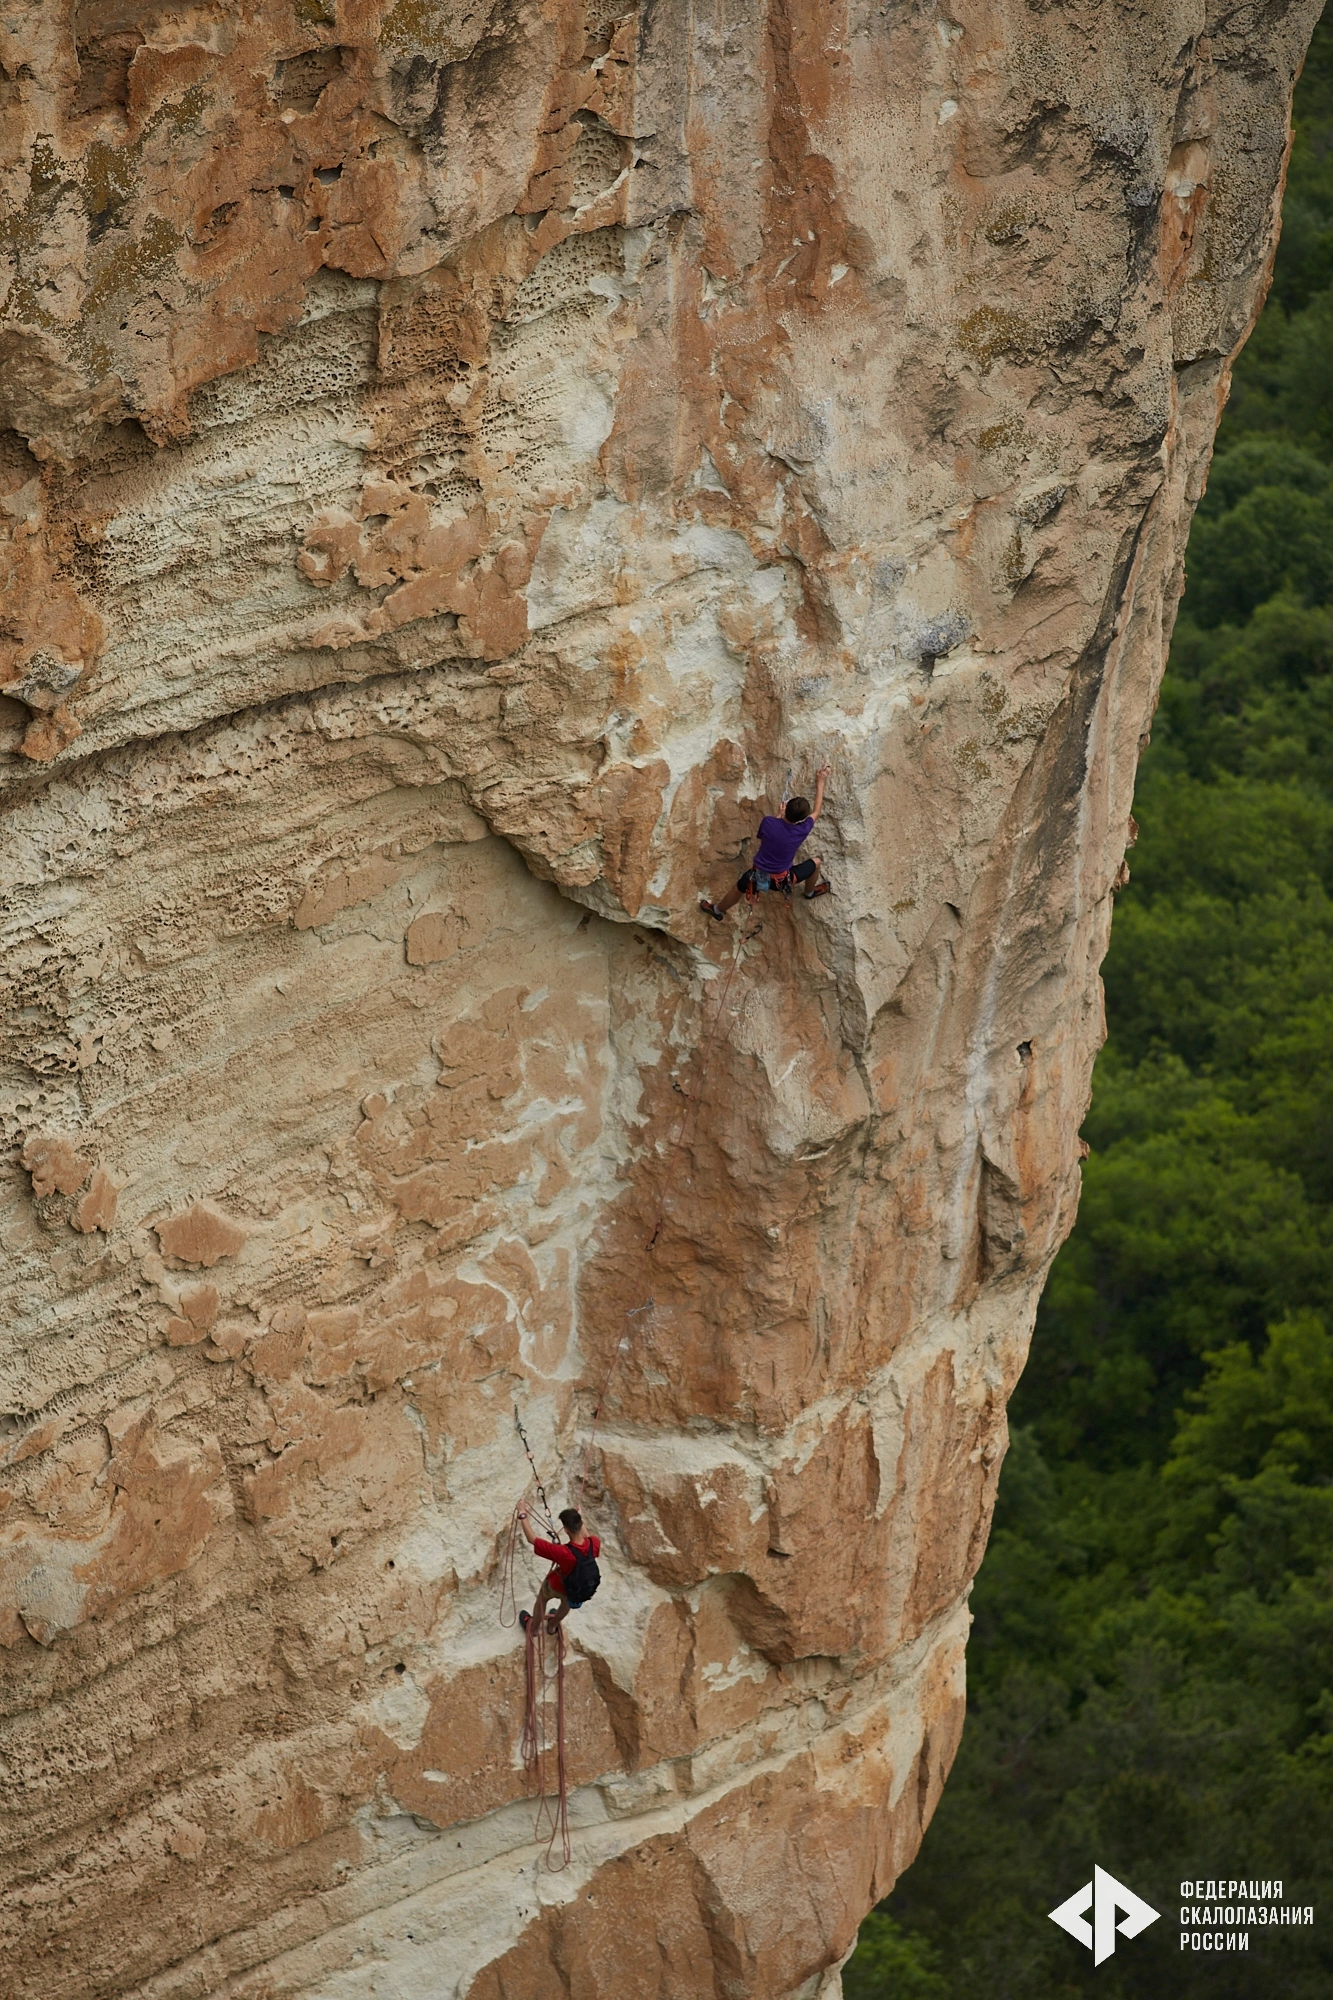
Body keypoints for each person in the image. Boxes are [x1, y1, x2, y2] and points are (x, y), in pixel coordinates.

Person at [700, 764, 832, 919]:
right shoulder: (802, 829)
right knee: (816, 863)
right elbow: (817, 811)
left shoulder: (769, 822)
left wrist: (778, 816)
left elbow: (766, 836)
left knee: (739, 888)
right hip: (782, 880)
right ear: (802, 820)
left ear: (786, 808)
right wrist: (820, 781)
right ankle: (809, 892)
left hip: (757, 876)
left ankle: (717, 910)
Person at [517, 1504, 601, 1636]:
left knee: (542, 1600)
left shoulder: (563, 1552)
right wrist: (579, 1516)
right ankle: (552, 1626)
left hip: (556, 1585)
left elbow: (532, 1539)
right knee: (566, 1603)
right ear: (580, 1524)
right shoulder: (594, 1543)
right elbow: (587, 1536)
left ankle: (534, 1629)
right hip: (576, 1588)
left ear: (566, 1530)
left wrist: (522, 1513)